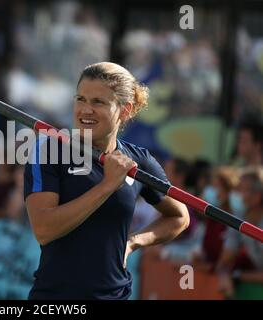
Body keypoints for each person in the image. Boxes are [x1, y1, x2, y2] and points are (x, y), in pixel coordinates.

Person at [24, 62, 190, 300]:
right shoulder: (50, 150)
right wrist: (107, 185)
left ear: (124, 109)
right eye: (81, 99)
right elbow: (44, 229)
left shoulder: (138, 161)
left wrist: (133, 243)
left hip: (116, 295)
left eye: (98, 102)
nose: (85, 110)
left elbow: (179, 217)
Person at [216, 167, 263, 299]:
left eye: (242, 189)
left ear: (258, 195)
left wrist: (238, 275)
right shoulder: (239, 217)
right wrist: (224, 275)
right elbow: (224, 261)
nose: (236, 193)